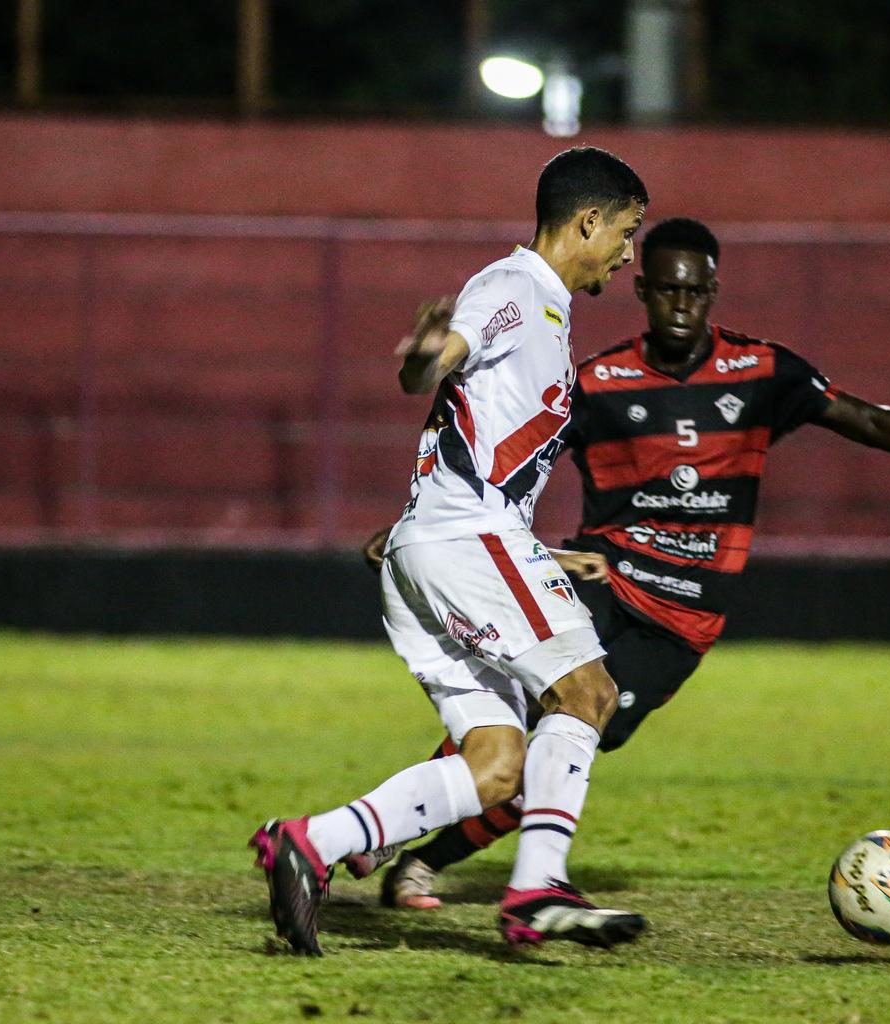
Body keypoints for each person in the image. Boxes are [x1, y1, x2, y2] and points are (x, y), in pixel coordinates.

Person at [348, 216, 890, 910]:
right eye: (667, 290)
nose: (681, 304)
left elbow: (865, 419)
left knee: (576, 745)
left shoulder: (762, 372)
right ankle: (392, 843)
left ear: (713, 291)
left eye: (696, 291)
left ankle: (423, 859)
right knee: (525, 709)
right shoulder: (599, 381)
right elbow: (503, 454)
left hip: (683, 620)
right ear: (643, 290)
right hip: (601, 579)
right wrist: (430, 522)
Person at [249, 146, 651, 955]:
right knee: (588, 692)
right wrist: (426, 353)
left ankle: (312, 843)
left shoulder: (545, 307)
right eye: (627, 231)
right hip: (467, 539)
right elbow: (439, 359)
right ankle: (538, 887)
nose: (628, 252)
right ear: (588, 222)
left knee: (497, 764)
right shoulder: (514, 287)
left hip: (434, 548)